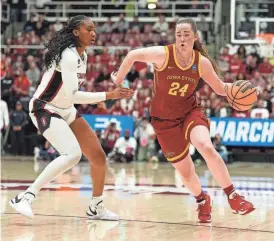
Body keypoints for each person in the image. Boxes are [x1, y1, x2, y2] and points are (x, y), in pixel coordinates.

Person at [111, 18, 255, 223]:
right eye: (178, 34)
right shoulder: (163, 54)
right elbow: (133, 55)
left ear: (194, 37)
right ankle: (202, 200)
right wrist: (118, 80)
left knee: (205, 146)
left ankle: (233, 196)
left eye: (186, 34)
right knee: (186, 173)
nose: (182, 39)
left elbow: (220, 88)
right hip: (164, 121)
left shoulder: (201, 62)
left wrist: (241, 90)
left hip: (190, 112)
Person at [9, 15, 133, 220]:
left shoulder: (82, 56)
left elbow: (70, 95)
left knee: (98, 157)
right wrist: (108, 95)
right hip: (45, 108)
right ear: (76, 32)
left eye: (94, 29)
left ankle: (96, 207)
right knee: (72, 154)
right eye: (88, 29)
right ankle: (25, 196)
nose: (93, 33)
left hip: (66, 109)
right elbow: (74, 94)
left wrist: (102, 100)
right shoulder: (67, 56)